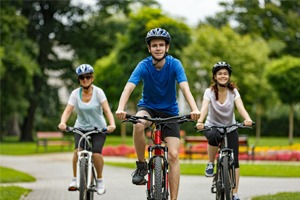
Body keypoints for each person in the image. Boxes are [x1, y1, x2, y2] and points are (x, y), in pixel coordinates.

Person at [115, 27, 200, 200]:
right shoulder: (143, 65)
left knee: (174, 155)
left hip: (170, 112)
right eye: (154, 45)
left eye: (161, 45)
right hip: (148, 108)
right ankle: (141, 165)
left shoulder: (175, 64)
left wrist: (195, 109)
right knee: (138, 125)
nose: (158, 48)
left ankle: (174, 198)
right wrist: (121, 107)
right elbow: (128, 87)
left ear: (167, 48)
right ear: (149, 48)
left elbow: (185, 87)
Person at [196, 61, 253, 200]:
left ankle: (234, 193)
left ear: (229, 76)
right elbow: (204, 108)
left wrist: (247, 119)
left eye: (225, 74)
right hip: (212, 126)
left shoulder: (233, 92)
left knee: (235, 161)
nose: (223, 76)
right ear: (215, 77)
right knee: (214, 136)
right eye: (219, 73)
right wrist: (200, 121)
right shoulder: (209, 92)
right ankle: (210, 163)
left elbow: (240, 107)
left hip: (230, 127)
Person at [57, 64, 116, 195]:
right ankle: (74, 179)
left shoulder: (99, 92)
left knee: (96, 154)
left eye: (88, 77)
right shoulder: (75, 94)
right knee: (77, 151)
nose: (85, 80)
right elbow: (67, 111)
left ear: (92, 78)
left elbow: (107, 110)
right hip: (80, 128)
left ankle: (100, 180)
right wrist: (62, 122)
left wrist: (112, 124)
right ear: (79, 79)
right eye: (82, 77)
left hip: (98, 129)